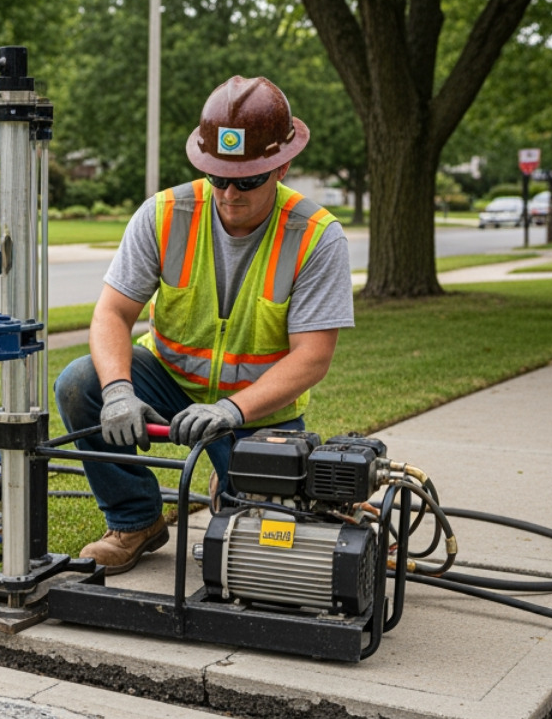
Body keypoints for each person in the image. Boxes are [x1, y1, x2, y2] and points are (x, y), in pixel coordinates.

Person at [54, 75, 354, 573]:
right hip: (168, 384)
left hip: (259, 413)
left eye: (248, 180)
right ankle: (134, 520)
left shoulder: (316, 236)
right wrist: (119, 393)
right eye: (218, 177)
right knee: (80, 383)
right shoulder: (165, 214)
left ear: (282, 166)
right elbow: (112, 313)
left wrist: (231, 410)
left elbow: (313, 356)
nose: (229, 193)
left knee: (261, 552)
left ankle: (230, 483)